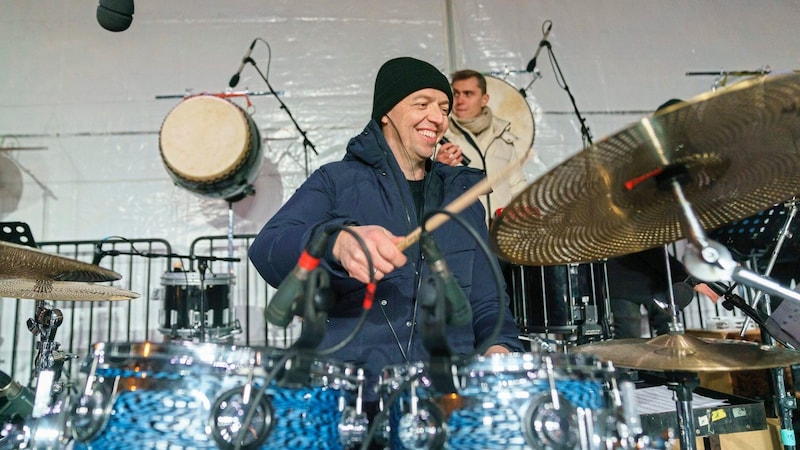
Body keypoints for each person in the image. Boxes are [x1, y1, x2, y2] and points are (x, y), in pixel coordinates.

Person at [248, 57, 523, 414]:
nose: (437, 118)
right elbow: (267, 249)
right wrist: (337, 243)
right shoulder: (336, 181)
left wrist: (499, 349)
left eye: (443, 107)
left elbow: (488, 302)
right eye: (421, 104)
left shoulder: (462, 195)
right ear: (386, 113)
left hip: (447, 401)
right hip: (356, 399)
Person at [608, 99, 719, 339]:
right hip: (627, 270)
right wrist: (687, 278)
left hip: (657, 276)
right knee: (629, 348)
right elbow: (639, 236)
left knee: (670, 344)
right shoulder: (641, 165)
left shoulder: (677, 165)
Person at [434, 69, 528, 223]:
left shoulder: (502, 139)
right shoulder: (439, 138)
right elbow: (426, 191)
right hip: (465, 235)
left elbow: (518, 185)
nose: (460, 100)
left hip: (502, 233)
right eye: (456, 94)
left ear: (484, 99)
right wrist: (437, 167)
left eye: (468, 94)